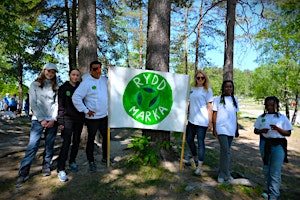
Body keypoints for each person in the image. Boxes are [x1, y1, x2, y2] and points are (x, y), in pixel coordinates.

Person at [15, 63, 59, 187]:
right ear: (44, 71)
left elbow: (57, 104)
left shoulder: (56, 86)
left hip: (51, 120)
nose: (50, 74)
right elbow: (33, 103)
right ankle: (24, 172)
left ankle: (46, 164)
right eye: (48, 71)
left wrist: (53, 119)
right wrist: (41, 120)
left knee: (49, 144)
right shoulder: (34, 85)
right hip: (38, 119)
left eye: (53, 72)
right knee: (33, 145)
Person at [72, 60, 109, 172]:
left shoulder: (105, 80)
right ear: (90, 70)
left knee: (106, 138)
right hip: (92, 118)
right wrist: (85, 110)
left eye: (99, 68)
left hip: (104, 116)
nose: (97, 71)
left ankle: (105, 157)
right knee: (91, 140)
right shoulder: (86, 83)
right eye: (94, 69)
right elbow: (76, 97)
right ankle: (91, 161)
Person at [254, 96, 293, 200]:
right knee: (267, 168)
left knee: (275, 170)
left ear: (277, 105)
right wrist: (262, 131)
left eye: (272, 105)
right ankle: (268, 190)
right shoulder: (262, 117)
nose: (270, 107)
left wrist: (277, 129)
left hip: (278, 144)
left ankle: (274, 195)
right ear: (265, 105)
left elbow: (288, 133)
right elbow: (256, 130)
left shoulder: (282, 117)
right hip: (265, 144)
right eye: (267, 105)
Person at [56, 69, 85, 182]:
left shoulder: (81, 87)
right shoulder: (63, 88)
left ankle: (72, 161)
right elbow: (61, 105)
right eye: (73, 75)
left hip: (79, 119)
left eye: (77, 75)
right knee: (66, 143)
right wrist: (60, 121)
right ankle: (61, 168)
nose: (75, 77)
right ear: (69, 75)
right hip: (67, 120)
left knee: (76, 141)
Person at [186, 70, 213, 175]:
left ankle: (200, 166)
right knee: (189, 139)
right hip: (192, 119)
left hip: (202, 121)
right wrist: (187, 109)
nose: (200, 79)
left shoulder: (207, 90)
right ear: (195, 78)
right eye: (198, 78)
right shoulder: (192, 89)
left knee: (200, 142)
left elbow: (209, 106)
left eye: (202, 78)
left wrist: (210, 122)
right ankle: (195, 157)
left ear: (205, 79)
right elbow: (190, 102)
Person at [212, 80, 239, 183]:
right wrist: (214, 127)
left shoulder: (235, 100)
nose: (228, 89)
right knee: (226, 151)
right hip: (221, 128)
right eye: (226, 87)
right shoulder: (218, 99)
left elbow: (235, 115)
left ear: (233, 88)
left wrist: (236, 128)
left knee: (225, 152)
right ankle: (224, 174)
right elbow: (215, 113)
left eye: (230, 87)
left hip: (231, 128)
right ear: (223, 88)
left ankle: (224, 172)